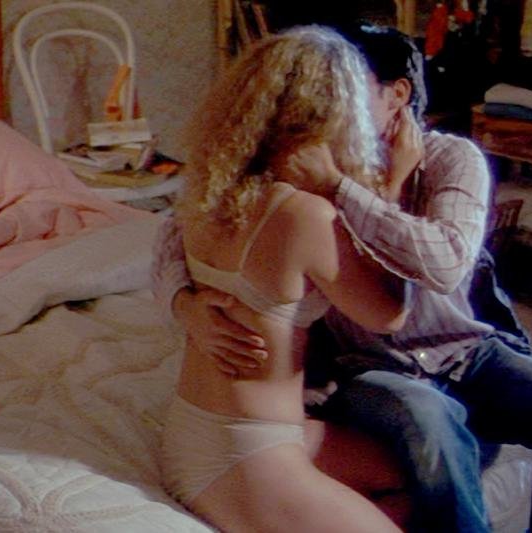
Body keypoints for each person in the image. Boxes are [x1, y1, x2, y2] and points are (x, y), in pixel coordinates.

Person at [154, 23, 532, 533]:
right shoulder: (301, 183)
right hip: (363, 367)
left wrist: (361, 189)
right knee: (432, 424)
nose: (341, 109)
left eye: (351, 92)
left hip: (459, 349)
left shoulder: (448, 158)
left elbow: (446, 265)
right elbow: (178, 229)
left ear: (396, 96)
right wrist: (183, 303)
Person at [157, 26, 413, 532]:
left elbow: (167, 258)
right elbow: (389, 316)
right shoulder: (305, 216)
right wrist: (393, 186)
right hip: (245, 452)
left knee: (408, 475)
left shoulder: (210, 194)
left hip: (202, 429)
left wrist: (183, 305)